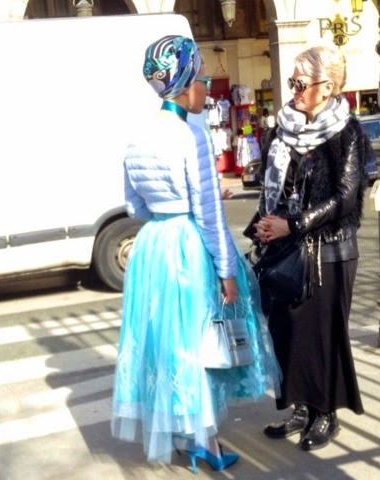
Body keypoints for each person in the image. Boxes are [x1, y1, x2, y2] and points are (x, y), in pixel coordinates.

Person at [111, 35, 281, 473]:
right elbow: (208, 215)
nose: (206, 87)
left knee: (165, 344)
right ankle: (205, 441)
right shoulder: (192, 135)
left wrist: (167, 208)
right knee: (196, 343)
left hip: (154, 245)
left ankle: (182, 434)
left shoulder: (137, 136)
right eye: (202, 78)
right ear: (185, 83)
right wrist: (227, 271)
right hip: (188, 245)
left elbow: (134, 206)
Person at [245, 45, 367, 452]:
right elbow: (271, 188)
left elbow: (345, 198)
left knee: (322, 334)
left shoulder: (347, 133)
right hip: (284, 249)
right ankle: (299, 407)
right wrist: (265, 224)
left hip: (329, 250)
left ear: (327, 87)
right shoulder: (282, 129)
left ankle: (325, 413)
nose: (294, 91)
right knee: (286, 330)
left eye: (301, 84)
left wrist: (293, 223)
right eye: (292, 83)